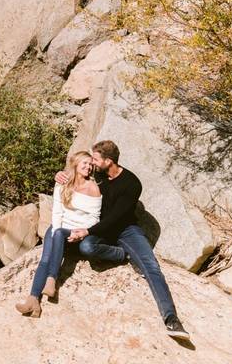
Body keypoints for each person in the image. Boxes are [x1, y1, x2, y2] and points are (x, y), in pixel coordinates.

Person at [57, 140, 190, 340]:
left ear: (108, 161)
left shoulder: (132, 183)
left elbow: (115, 218)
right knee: (86, 247)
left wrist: (87, 230)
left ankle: (171, 318)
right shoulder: (97, 174)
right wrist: (60, 175)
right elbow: (76, 174)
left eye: (95, 158)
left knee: (150, 266)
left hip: (125, 229)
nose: (91, 162)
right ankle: (123, 255)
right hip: (100, 229)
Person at [15, 151, 101, 318]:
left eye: (91, 164)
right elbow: (57, 212)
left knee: (60, 234)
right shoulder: (63, 182)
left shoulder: (93, 188)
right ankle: (33, 302)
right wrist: (54, 233)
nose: (89, 167)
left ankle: (52, 280)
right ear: (75, 164)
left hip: (75, 232)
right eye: (85, 163)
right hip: (58, 227)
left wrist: (80, 232)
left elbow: (94, 219)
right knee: (45, 259)